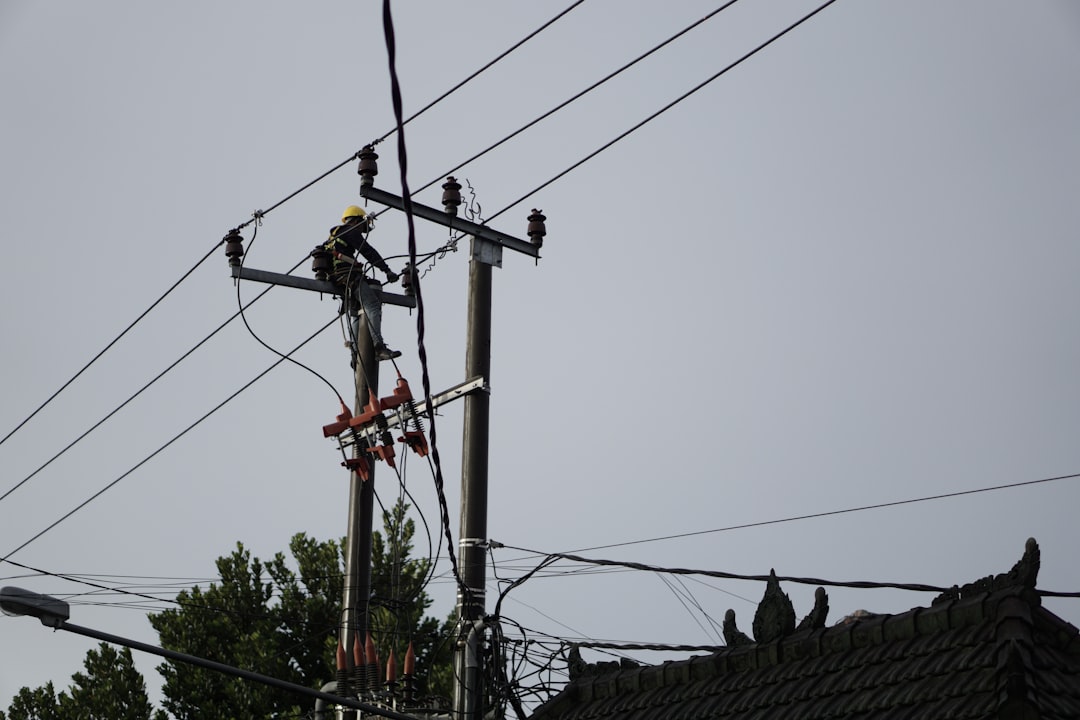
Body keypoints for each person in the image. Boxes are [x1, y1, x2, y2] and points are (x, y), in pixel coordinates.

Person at [325, 205, 401, 361]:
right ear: (356, 221)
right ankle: (379, 348)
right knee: (372, 305)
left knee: (355, 313)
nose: (362, 231)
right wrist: (386, 270)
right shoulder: (349, 231)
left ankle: (355, 355)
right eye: (362, 226)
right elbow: (367, 251)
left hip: (338, 279)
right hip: (349, 276)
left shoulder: (332, 235)